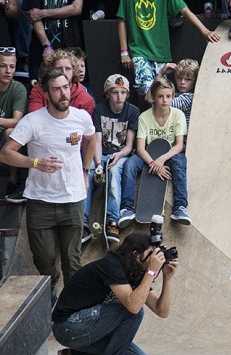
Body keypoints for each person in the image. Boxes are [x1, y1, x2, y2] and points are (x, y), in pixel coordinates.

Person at [0, 67, 96, 297]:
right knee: (43, 259)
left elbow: (92, 141)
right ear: (46, 93)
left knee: (73, 262)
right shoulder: (33, 121)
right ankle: (50, 288)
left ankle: (71, 307)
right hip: (40, 201)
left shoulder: (81, 117)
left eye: (66, 87)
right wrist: (35, 163)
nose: (63, 94)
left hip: (72, 199)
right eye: (56, 89)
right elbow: (6, 153)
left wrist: (85, 171)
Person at [52, 231, 177, 355]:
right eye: (151, 254)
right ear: (136, 254)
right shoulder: (111, 265)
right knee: (133, 311)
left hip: (88, 332)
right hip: (67, 327)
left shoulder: (134, 273)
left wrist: (166, 277)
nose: (155, 259)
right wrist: (151, 271)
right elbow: (133, 306)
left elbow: (162, 311)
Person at [117, 0, 219, 100]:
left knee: (159, 96)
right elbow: (122, 20)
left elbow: (184, 10)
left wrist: (204, 31)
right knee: (147, 94)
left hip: (161, 52)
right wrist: (124, 52)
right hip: (138, 51)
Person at [118, 75, 191, 227]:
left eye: (168, 96)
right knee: (129, 165)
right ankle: (126, 208)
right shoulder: (144, 117)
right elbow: (139, 148)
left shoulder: (178, 115)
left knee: (180, 162)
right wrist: (153, 163)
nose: (165, 100)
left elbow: (179, 146)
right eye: (160, 96)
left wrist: (161, 160)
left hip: (169, 154)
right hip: (148, 154)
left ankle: (179, 207)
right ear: (153, 97)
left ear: (173, 97)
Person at [83, 73, 140, 245]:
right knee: (88, 172)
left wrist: (119, 155)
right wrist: (99, 164)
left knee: (114, 173)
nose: (119, 97)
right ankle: (83, 222)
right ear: (107, 94)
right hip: (101, 153)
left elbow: (130, 146)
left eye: (123, 93)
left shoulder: (133, 111)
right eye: (115, 92)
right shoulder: (99, 110)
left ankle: (112, 221)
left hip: (120, 155)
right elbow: (97, 141)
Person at [28, 48, 95, 115]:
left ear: (74, 71)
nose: (64, 72)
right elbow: (35, 120)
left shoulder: (86, 99)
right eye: (59, 69)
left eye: (68, 69)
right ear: (51, 70)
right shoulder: (39, 90)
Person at [0, 47, 28, 202]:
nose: (8, 71)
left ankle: (13, 179)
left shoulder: (18, 88)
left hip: (6, 133)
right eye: (3, 66)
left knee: (10, 132)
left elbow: (18, 121)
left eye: (12, 66)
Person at [170, 58, 199, 132]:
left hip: (186, 141)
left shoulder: (189, 97)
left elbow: (156, 103)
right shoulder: (176, 95)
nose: (182, 82)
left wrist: (161, 73)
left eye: (188, 79)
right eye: (179, 78)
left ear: (195, 81)